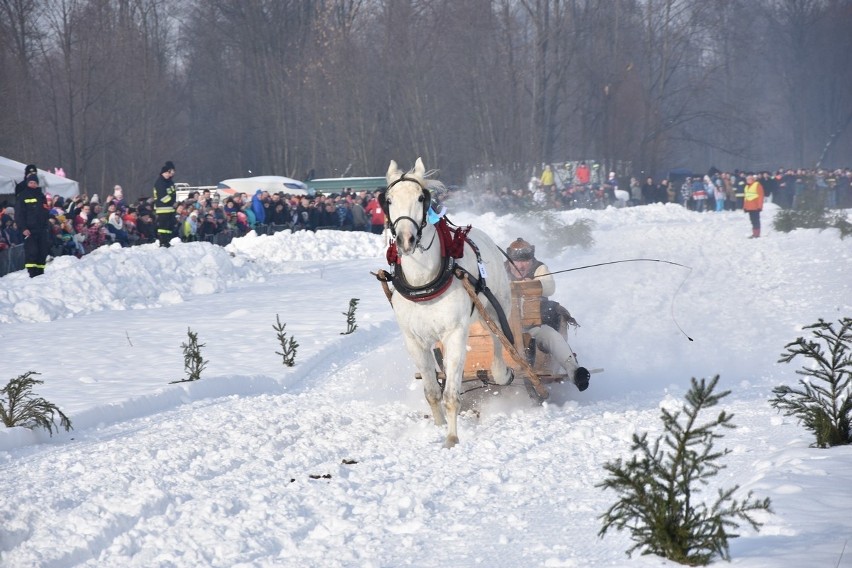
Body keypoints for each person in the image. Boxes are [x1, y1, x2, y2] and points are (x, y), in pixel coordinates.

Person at [504, 238, 591, 391]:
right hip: (503, 328)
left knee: (552, 336)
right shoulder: (499, 270)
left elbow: (549, 287)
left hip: (531, 325)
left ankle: (575, 372)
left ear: (531, 261)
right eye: (516, 261)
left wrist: (533, 285)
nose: (520, 265)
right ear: (510, 262)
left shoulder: (539, 268)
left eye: (525, 261)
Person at [15, 174, 51, 277]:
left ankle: (40, 273)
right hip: (29, 230)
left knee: (42, 251)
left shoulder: (41, 196)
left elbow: (46, 211)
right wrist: (23, 228)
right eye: (31, 182)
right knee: (32, 251)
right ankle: (32, 273)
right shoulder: (22, 196)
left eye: (34, 183)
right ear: (27, 183)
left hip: (42, 229)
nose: (33, 184)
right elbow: (19, 215)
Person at [153, 161, 177, 246]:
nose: (168, 174)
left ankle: (167, 240)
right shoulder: (160, 182)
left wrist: (174, 203)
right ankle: (162, 241)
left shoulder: (170, 182)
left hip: (170, 208)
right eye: (166, 173)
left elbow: (173, 193)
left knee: (169, 226)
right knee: (163, 227)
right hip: (163, 208)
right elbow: (163, 196)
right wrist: (172, 203)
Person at [743, 173, 765, 238]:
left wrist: (760, 206)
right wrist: (745, 207)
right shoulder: (746, 187)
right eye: (747, 179)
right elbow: (746, 197)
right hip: (749, 207)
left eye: (749, 179)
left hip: (755, 207)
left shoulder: (757, 185)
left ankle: (757, 234)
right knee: (752, 221)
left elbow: (761, 196)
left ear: (752, 179)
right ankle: (754, 233)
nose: (748, 180)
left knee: (756, 221)